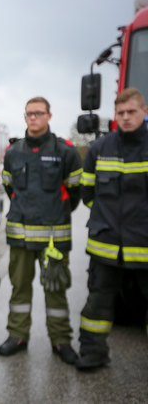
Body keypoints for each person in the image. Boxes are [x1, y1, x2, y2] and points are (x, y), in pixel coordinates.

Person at [0, 96, 82, 365]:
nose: (33, 118)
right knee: (19, 289)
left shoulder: (66, 151)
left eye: (38, 113)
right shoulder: (13, 152)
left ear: (49, 116)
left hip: (53, 240)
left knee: (55, 289)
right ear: (24, 118)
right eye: (29, 114)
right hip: (21, 239)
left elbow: (75, 193)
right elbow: (10, 188)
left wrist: (54, 213)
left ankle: (61, 340)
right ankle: (17, 335)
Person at [76, 87, 148, 370]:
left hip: (145, 245)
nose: (126, 118)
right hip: (107, 245)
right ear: (115, 115)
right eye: (121, 113)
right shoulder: (98, 149)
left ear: (144, 111)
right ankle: (93, 353)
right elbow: (87, 193)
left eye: (132, 112)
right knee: (97, 305)